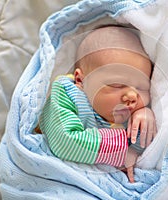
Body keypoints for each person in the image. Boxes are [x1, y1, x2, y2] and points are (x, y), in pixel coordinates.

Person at [38, 26, 156, 183]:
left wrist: (144, 119)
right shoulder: (67, 93)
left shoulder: (130, 114)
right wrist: (122, 152)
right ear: (81, 80)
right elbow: (64, 141)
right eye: (117, 85)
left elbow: (141, 150)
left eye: (142, 88)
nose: (133, 96)